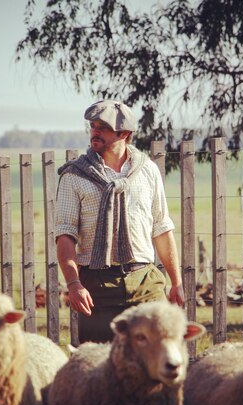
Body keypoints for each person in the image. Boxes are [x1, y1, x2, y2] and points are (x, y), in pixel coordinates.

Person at [55, 99, 185, 343]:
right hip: (97, 284)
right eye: (93, 126)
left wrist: (176, 282)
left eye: (102, 128)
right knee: (99, 364)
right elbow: (65, 235)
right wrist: (73, 284)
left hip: (146, 281)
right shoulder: (74, 176)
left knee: (157, 357)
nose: (95, 132)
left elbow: (162, 229)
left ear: (124, 133)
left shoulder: (147, 171)